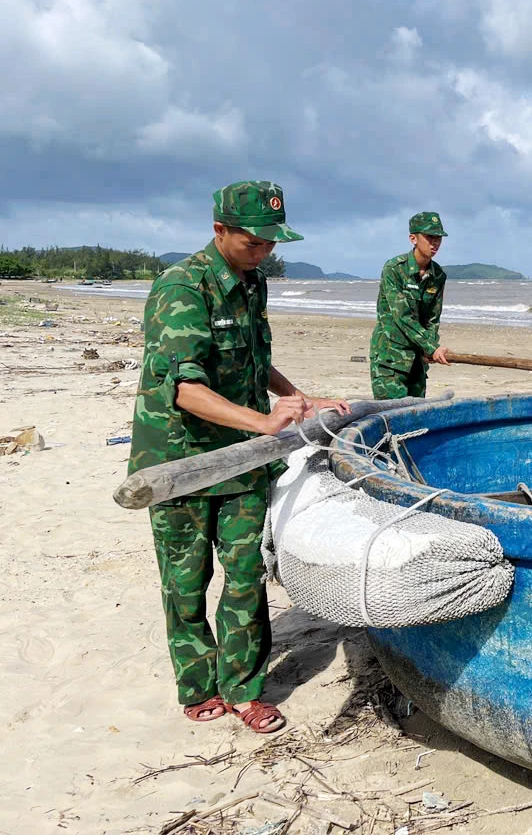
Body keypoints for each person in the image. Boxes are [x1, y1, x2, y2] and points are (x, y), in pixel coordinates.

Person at [128, 181, 350, 733]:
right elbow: (184, 389)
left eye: (272, 242)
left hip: (245, 457)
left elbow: (254, 359)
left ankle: (245, 689)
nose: (265, 252)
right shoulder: (181, 288)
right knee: (185, 582)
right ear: (219, 230)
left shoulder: (254, 284)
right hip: (180, 461)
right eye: (255, 242)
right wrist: (263, 422)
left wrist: (297, 398)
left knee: (248, 574)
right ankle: (199, 686)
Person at [369, 211, 450, 399]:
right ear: (413, 238)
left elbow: (432, 319)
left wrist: (429, 350)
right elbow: (402, 316)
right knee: (390, 420)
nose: (435, 243)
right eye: (429, 237)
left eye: (438, 238)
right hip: (390, 358)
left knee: (416, 419)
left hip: (418, 362)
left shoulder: (438, 276)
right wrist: (432, 347)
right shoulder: (394, 269)